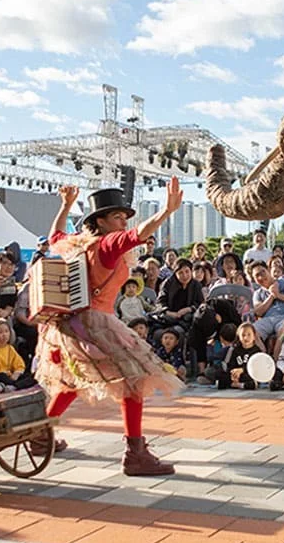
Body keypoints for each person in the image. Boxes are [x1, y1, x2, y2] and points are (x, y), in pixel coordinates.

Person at [34, 181, 184, 476]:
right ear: (100, 222)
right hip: (96, 323)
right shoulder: (106, 245)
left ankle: (40, 436)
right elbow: (137, 235)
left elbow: (55, 237)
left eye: (125, 217)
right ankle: (135, 454)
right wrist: (166, 212)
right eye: (117, 216)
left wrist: (65, 206)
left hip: (71, 323)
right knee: (135, 378)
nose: (123, 221)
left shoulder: (78, 245)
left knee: (72, 381)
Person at [251, 260, 284, 346]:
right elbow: (258, 312)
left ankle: (277, 354)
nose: (261, 276)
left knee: (283, 331)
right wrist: (272, 296)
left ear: (268, 270)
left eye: (263, 272)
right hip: (267, 320)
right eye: (257, 275)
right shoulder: (258, 293)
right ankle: (262, 352)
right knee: (251, 331)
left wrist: (279, 295)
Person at [0, 318, 37, 391]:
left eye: (6, 331)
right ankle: (14, 385)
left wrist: (16, 373)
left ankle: (12, 386)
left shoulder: (10, 348)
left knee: (33, 376)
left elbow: (19, 364)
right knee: (2, 376)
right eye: (0, 332)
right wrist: (2, 372)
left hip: (9, 376)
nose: (4, 335)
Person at [156, 258, 204, 333]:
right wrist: (168, 312)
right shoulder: (168, 283)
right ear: (175, 274)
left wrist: (189, 309)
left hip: (189, 318)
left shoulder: (196, 285)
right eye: (180, 273)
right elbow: (160, 302)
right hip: (169, 317)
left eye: (187, 271)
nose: (185, 275)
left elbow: (201, 303)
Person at [212, 322, 261, 390]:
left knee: (251, 378)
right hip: (237, 374)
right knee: (220, 374)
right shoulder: (236, 350)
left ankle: (238, 385)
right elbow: (231, 364)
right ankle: (235, 384)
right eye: (243, 335)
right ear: (239, 337)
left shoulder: (257, 351)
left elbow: (256, 367)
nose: (246, 337)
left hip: (248, 374)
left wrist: (242, 370)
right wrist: (233, 373)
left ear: (254, 336)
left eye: (249, 335)